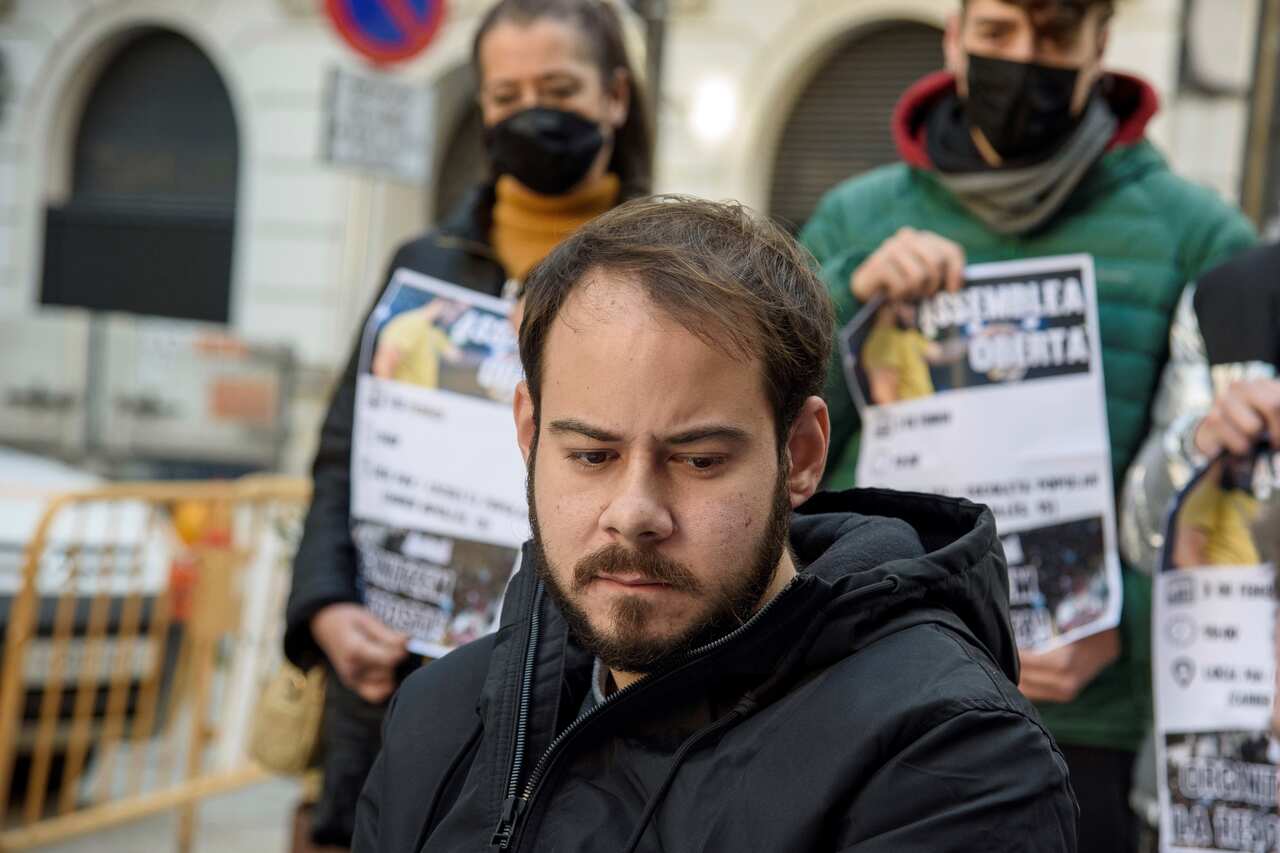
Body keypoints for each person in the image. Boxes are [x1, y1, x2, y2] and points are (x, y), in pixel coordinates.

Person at [352, 196, 1077, 852]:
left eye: (698, 460)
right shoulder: (437, 720)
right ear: (529, 434)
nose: (633, 512)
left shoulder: (953, 757)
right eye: (591, 454)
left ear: (801, 453)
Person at [799, 1, 1255, 850]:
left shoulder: (1198, 236)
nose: (1024, 59)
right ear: (955, 36)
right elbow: (783, 445)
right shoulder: (855, 223)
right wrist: (851, 298)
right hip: (872, 692)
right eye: (1000, 32)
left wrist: (1122, 629)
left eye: (1054, 39)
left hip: (1090, 719)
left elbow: (1213, 499)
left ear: (1099, 46)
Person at [283, 0, 653, 847]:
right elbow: (346, 452)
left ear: (615, 97)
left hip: (582, 683)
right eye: (506, 94)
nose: (532, 112)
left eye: (558, 87)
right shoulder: (424, 267)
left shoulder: (669, 271)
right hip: (395, 681)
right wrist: (328, 608)